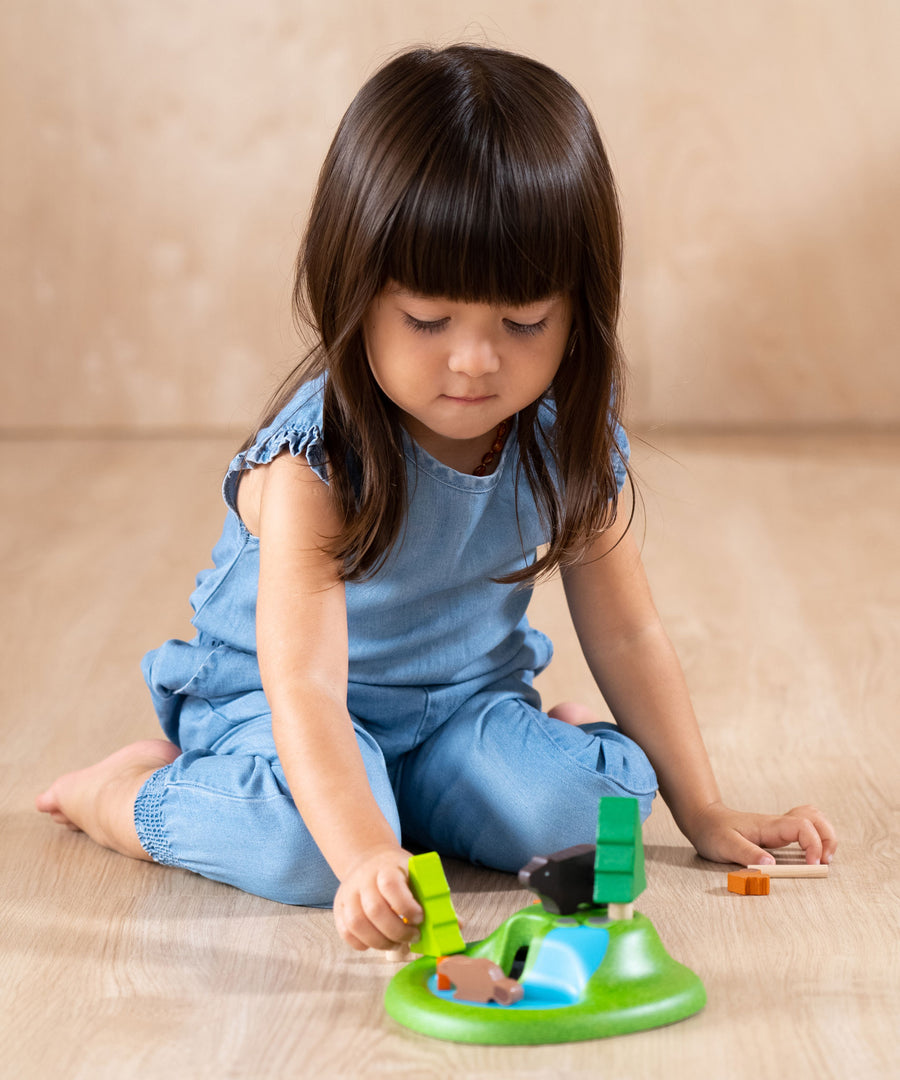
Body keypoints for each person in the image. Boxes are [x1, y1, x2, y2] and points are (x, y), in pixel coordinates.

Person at [37, 43, 836, 951]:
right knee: (307, 852)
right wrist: (368, 853)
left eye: (524, 322)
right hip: (286, 711)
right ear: (356, 292)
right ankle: (129, 795)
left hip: (461, 711)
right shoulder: (314, 465)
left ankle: (472, 776)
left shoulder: (563, 438)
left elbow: (628, 632)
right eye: (427, 320)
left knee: (594, 817)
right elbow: (304, 685)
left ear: (579, 309)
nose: (475, 361)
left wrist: (706, 808)